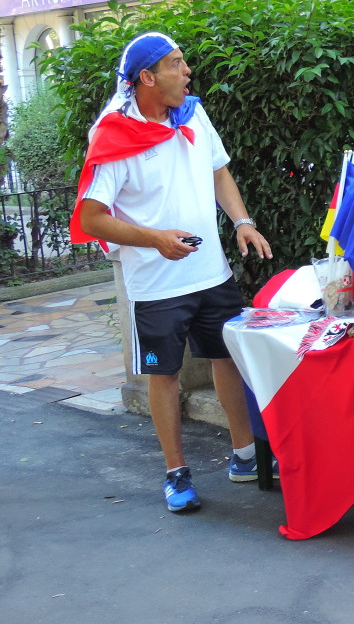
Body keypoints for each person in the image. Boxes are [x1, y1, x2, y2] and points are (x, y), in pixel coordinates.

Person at [71, 32, 273, 513]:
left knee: (227, 358)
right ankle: (176, 473)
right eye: (177, 65)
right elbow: (91, 216)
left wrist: (242, 222)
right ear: (146, 77)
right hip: (156, 284)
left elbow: (218, 171)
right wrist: (156, 238)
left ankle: (245, 455)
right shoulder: (115, 133)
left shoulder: (192, 114)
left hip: (211, 273)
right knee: (165, 375)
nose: (187, 73)